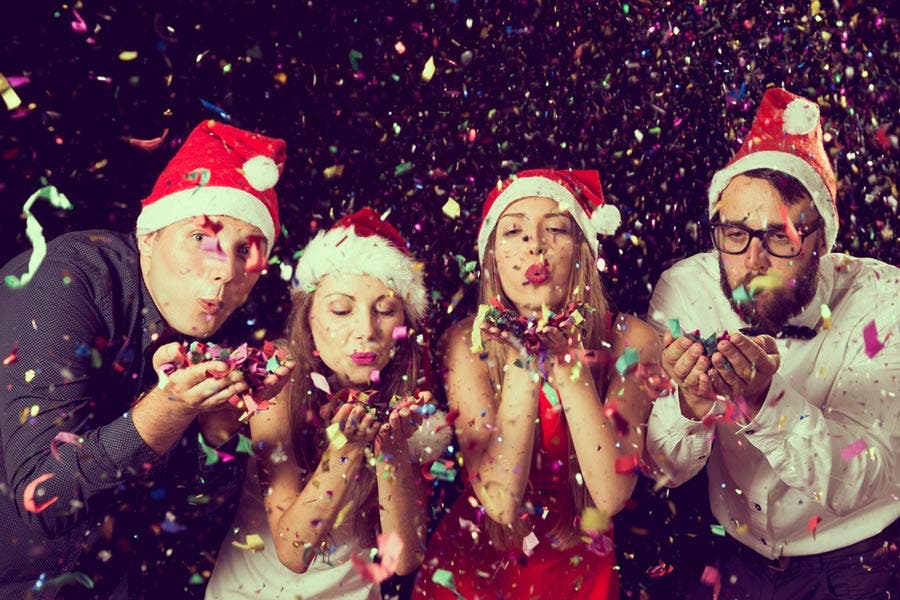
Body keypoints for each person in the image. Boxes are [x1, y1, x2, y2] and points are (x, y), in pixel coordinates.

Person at [0, 119, 294, 599]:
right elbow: (43, 497)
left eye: (246, 250)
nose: (225, 271)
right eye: (202, 238)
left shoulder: (209, 330)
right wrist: (169, 409)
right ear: (149, 238)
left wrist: (216, 437)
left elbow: (183, 522)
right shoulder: (66, 283)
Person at [645, 88, 899, 599]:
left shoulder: (885, 302)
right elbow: (662, 469)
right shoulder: (686, 291)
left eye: (780, 237)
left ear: (821, 240)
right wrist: (691, 402)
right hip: (736, 562)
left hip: (859, 567)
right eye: (735, 232)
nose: (753, 262)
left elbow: (869, 472)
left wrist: (766, 401)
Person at [413, 169, 662, 599]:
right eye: (513, 231)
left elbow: (609, 494)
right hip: (475, 571)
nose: (535, 244)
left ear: (582, 252)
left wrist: (568, 368)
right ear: (491, 258)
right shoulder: (464, 344)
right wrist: (526, 365)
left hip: (581, 570)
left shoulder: (632, 339)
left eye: (556, 228)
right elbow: (501, 503)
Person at [206, 207, 448, 599]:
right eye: (341, 309)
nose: (366, 330)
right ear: (309, 318)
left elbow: (403, 559)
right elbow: (293, 549)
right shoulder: (277, 381)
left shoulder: (410, 398)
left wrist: (392, 450)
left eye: (385, 311)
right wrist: (347, 450)